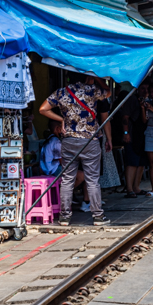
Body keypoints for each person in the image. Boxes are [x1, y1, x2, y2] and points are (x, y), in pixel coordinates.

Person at [40, 74, 111, 226]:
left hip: (69, 141)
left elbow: (42, 109)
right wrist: (97, 76)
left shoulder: (61, 92)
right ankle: (98, 216)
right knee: (92, 180)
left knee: (67, 180)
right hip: (89, 141)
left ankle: (64, 217)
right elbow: (108, 92)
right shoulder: (92, 90)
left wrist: (61, 120)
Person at [40, 120, 90, 210]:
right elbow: (63, 162)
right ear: (57, 128)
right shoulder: (56, 142)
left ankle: (65, 193)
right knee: (82, 176)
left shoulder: (48, 140)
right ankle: (63, 193)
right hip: (53, 171)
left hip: (46, 169)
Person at [120, 84, 148, 198]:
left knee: (141, 162)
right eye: (143, 88)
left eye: (146, 89)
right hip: (132, 133)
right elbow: (125, 117)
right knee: (132, 161)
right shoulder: (131, 99)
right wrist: (126, 133)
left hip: (141, 134)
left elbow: (144, 120)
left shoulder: (145, 102)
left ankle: (136, 187)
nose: (145, 91)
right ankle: (130, 188)